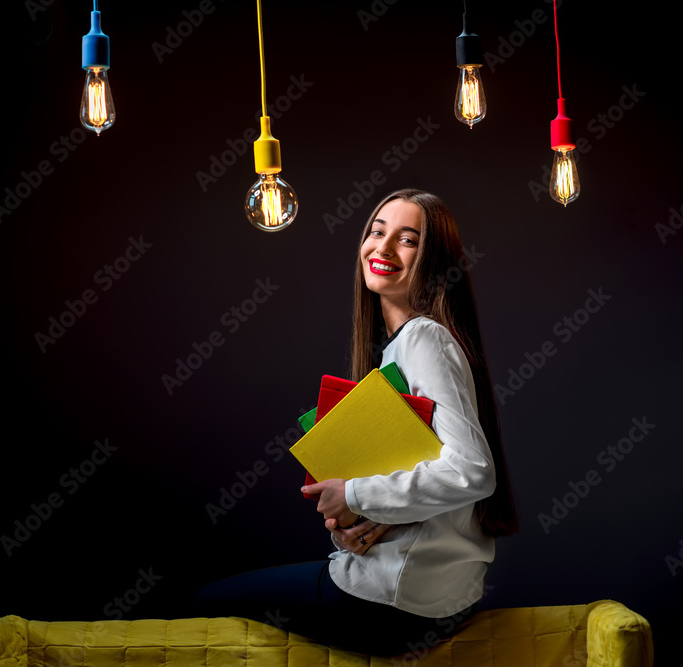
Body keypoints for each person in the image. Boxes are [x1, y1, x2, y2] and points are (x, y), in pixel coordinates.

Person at [192, 188, 518, 656]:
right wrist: (359, 523)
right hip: (438, 596)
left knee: (203, 603)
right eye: (376, 231)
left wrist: (353, 495)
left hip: (395, 602)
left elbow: (472, 471)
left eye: (407, 240)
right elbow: (427, 477)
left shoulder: (424, 337)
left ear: (435, 261)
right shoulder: (401, 347)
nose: (382, 248)